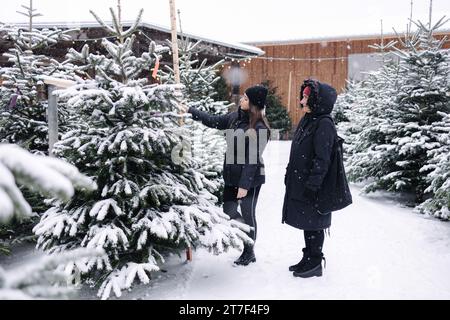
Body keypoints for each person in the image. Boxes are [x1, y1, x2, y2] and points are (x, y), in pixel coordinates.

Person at [180, 85, 270, 266]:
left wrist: (244, 186)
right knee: (228, 212)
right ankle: (242, 235)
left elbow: (252, 161)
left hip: (250, 180)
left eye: (245, 98)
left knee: (248, 214)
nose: (241, 100)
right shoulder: (234, 118)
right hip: (231, 177)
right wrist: (190, 110)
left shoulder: (260, 128)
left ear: (252, 104)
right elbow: (212, 120)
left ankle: (248, 251)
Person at [282, 79, 338, 278]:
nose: (302, 100)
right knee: (308, 222)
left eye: (306, 97)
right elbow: (298, 150)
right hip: (301, 181)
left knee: (315, 223)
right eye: (303, 95)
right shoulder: (309, 120)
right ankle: (308, 257)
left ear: (317, 101)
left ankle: (315, 262)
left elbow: (323, 159)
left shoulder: (324, 124)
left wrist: (313, 185)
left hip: (314, 185)